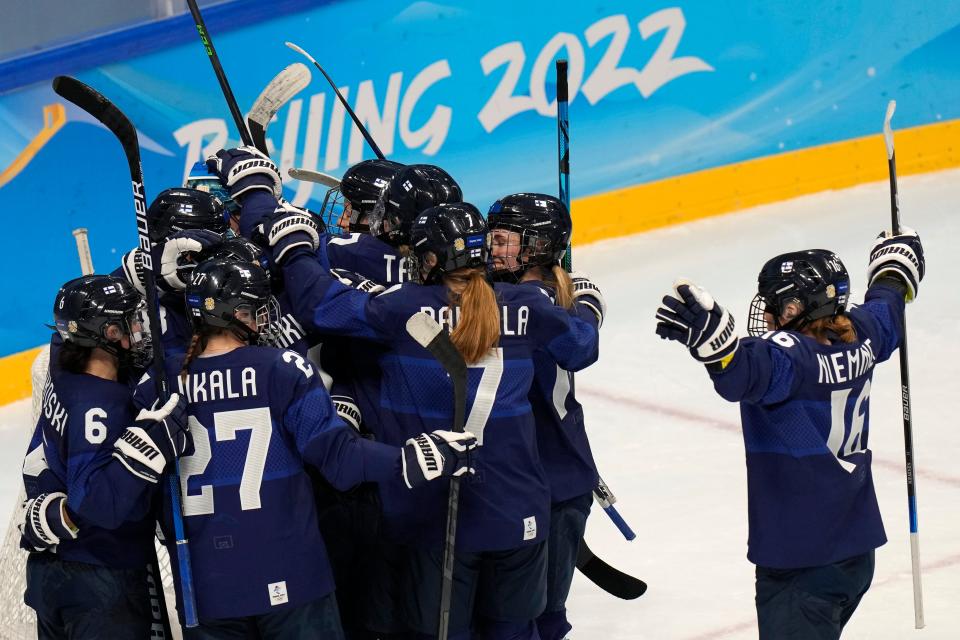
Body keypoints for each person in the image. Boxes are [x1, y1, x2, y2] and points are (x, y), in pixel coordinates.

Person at [268, 201, 605, 639]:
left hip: (439, 512)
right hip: (520, 508)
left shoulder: (406, 307)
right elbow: (581, 347)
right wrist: (584, 304)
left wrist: (294, 248)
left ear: (429, 260)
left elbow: (321, 306)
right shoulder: (526, 303)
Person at [130, 256, 475, 637]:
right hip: (289, 571)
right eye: (253, 310)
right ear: (236, 313)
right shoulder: (281, 368)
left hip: (205, 582)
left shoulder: (157, 385)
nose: (260, 321)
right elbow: (340, 460)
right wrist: (406, 458)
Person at [654, 229, 925, 640]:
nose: (766, 316)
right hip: (854, 550)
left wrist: (719, 349)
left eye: (775, 305)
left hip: (803, 560)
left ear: (797, 306)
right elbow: (887, 310)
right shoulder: (859, 334)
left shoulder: (791, 358)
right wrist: (893, 271)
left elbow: (743, 376)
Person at [20, 274, 174, 639]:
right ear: (104, 334)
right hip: (100, 576)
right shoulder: (102, 406)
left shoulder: (61, 366)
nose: (137, 330)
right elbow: (95, 503)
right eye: (128, 323)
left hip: (50, 570)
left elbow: (68, 326)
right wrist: (145, 454)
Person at [487, 193, 604, 640]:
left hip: (552, 482)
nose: (492, 249)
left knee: (540, 618)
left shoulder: (517, 301)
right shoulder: (552, 299)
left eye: (504, 240)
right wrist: (588, 306)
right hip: (547, 478)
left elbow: (577, 348)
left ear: (536, 246)